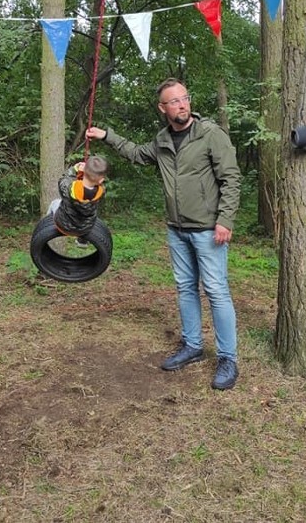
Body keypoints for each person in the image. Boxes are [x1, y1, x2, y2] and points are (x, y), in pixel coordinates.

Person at [86, 78, 242, 391]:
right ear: (163, 108)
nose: (182, 105)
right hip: (177, 228)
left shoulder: (210, 134)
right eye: (174, 101)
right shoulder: (162, 140)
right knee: (185, 288)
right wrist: (106, 136)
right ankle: (192, 346)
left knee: (216, 290)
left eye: (184, 98)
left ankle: (228, 358)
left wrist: (225, 220)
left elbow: (231, 178)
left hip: (209, 229)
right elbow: (136, 153)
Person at [47, 156, 108, 242]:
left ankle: (47, 223)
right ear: (101, 180)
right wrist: (87, 175)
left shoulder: (70, 188)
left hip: (63, 226)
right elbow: (95, 184)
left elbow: (63, 179)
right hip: (85, 229)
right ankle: (82, 242)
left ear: (84, 171)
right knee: (87, 212)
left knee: (55, 202)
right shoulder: (101, 192)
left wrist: (75, 169)